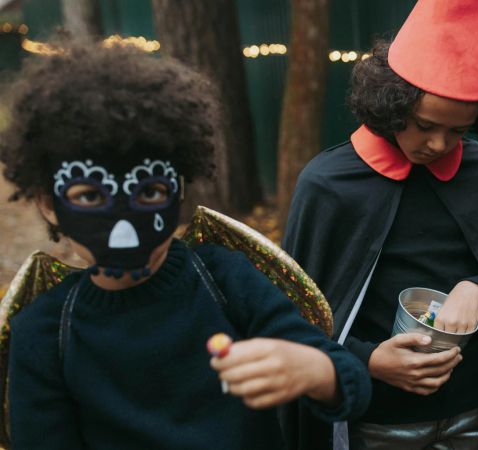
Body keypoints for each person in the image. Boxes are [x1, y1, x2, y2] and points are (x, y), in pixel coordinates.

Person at [0, 38, 370, 449]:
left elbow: (349, 382)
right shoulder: (44, 333)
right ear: (49, 205)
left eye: (149, 193)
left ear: (178, 193)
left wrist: (318, 370)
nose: (124, 226)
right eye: (89, 196)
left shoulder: (225, 279)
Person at [282, 0, 478, 448]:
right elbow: (296, 316)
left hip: (475, 412)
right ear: (391, 104)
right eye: (426, 124)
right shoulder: (328, 184)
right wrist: (366, 361)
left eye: (458, 132)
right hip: (376, 420)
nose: (438, 144)